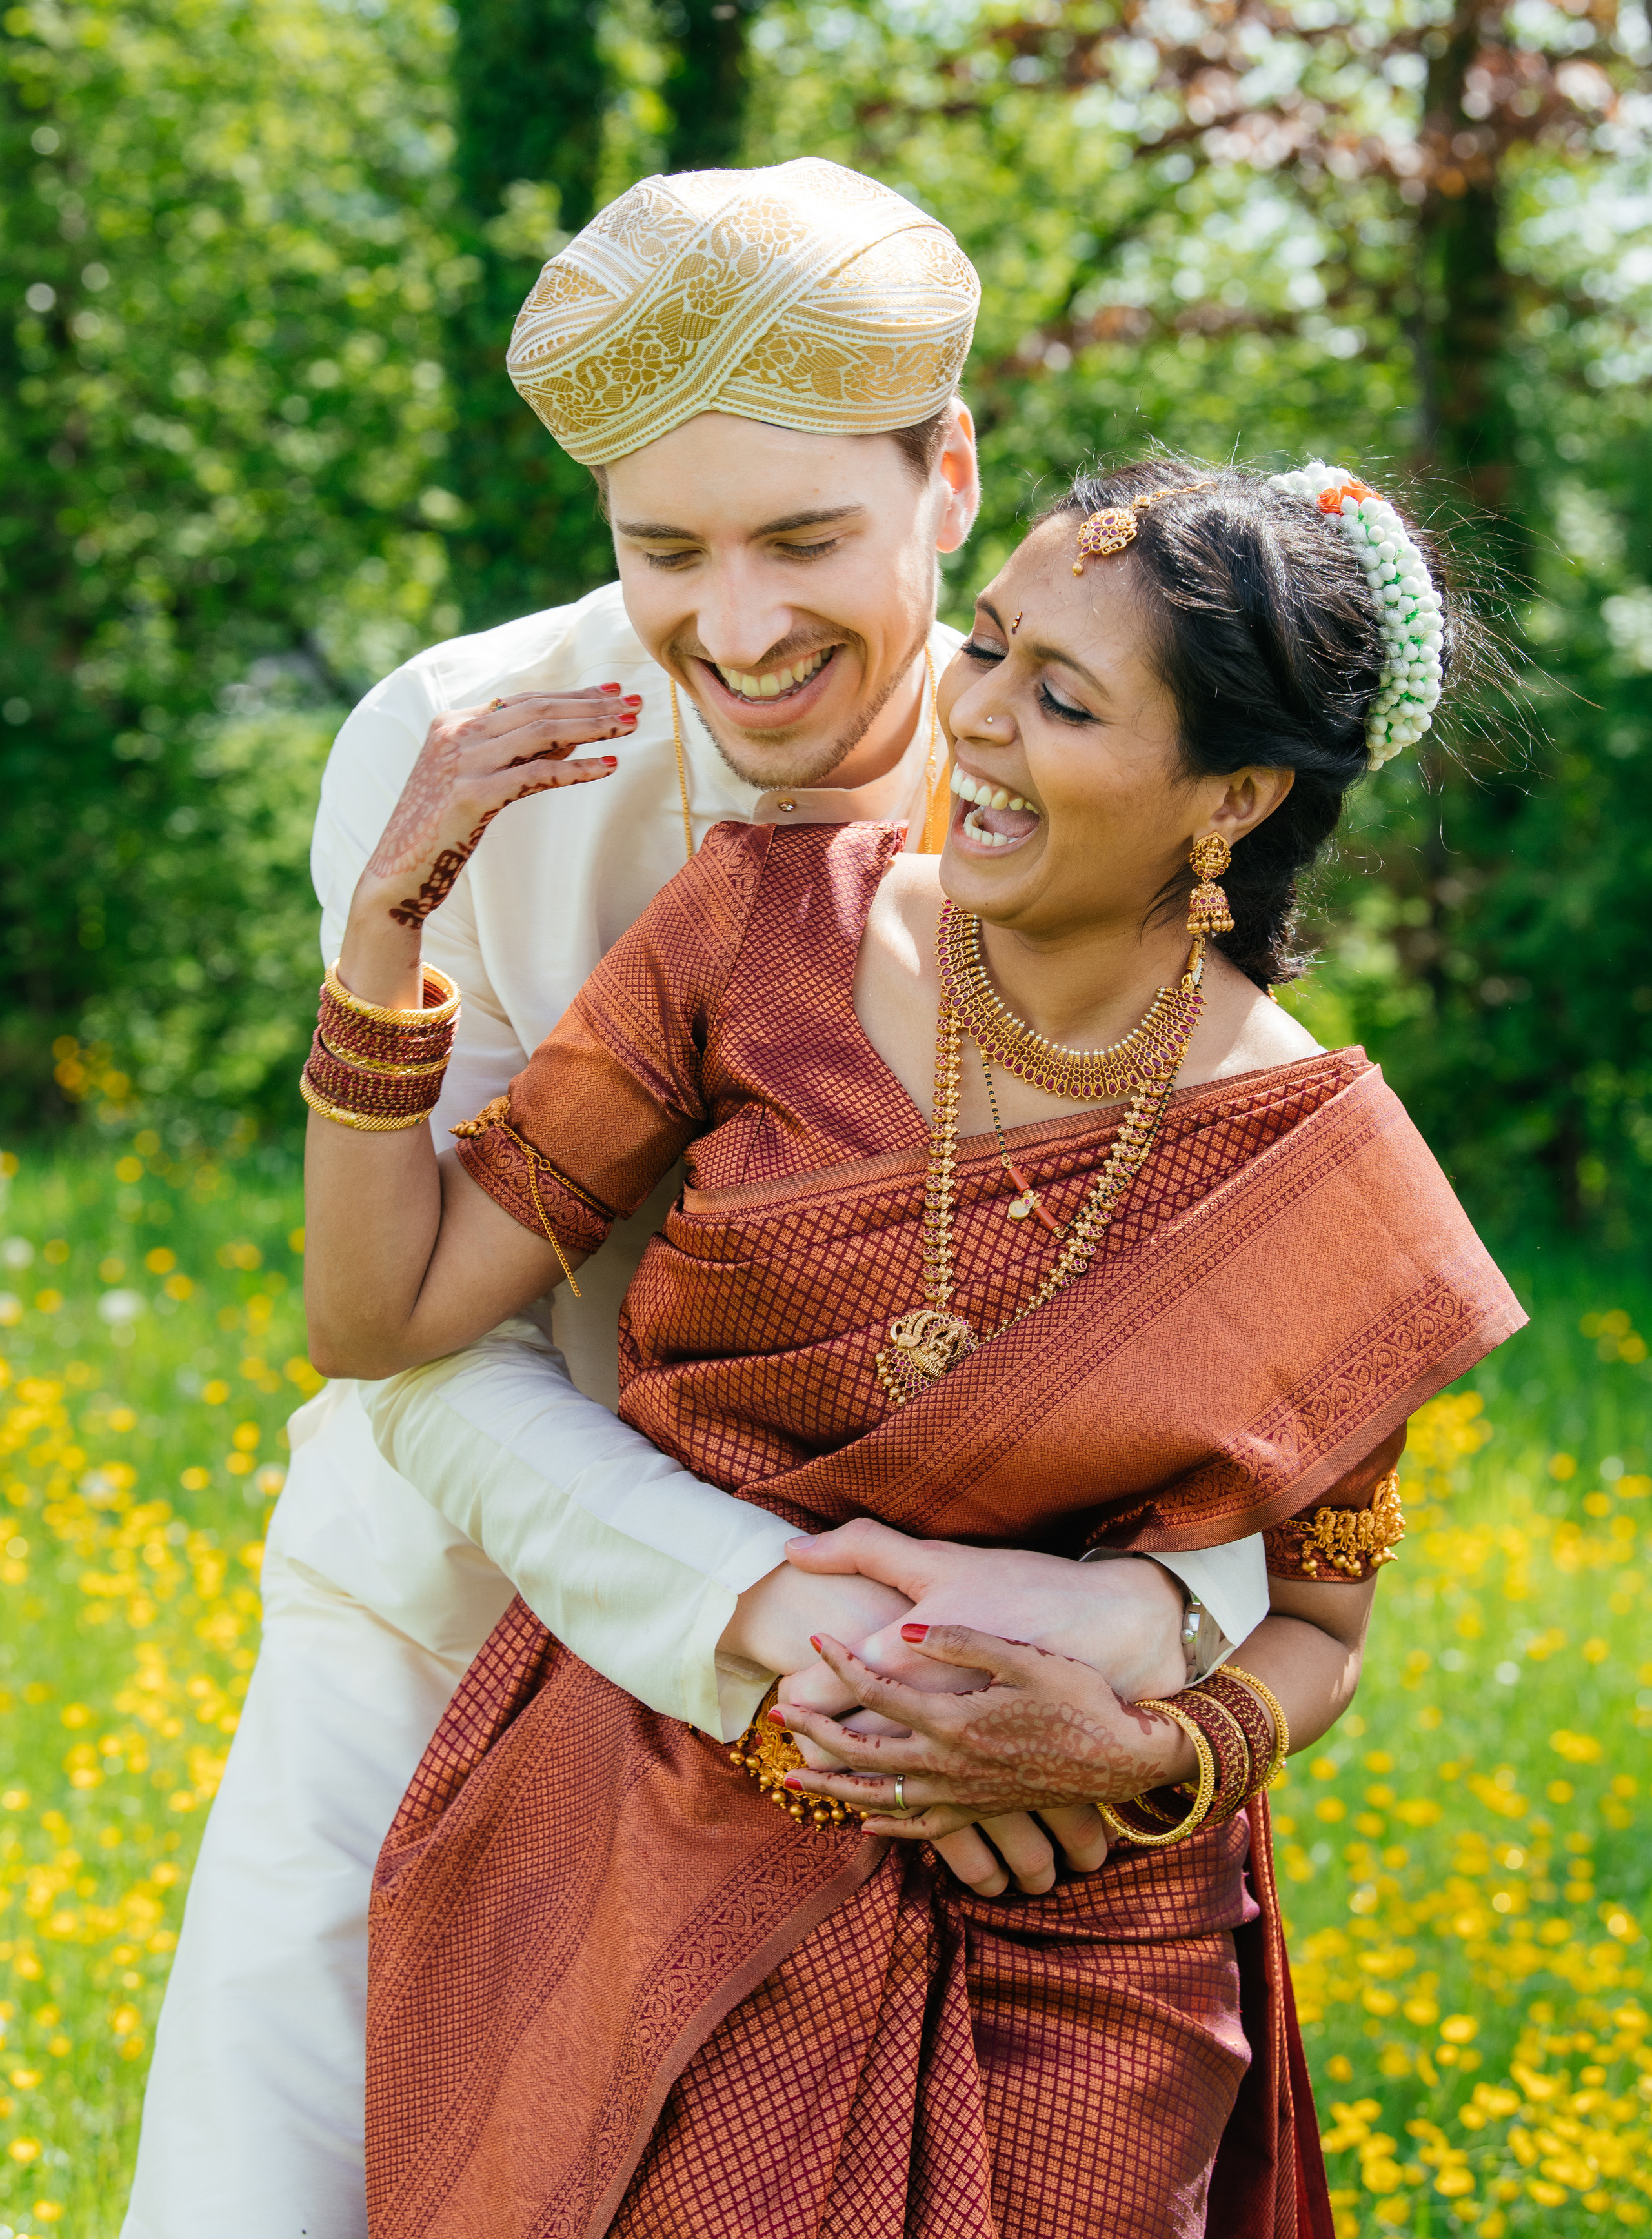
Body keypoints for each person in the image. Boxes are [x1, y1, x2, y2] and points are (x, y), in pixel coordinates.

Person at [122, 161, 1236, 2239]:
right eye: (667, 548)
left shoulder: (1118, 758)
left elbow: (1250, 1304)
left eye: (809, 537)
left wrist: (1139, 1635)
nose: (738, 626)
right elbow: (405, 1348)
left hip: (925, 1720)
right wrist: (742, 1604)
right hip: (447, 1623)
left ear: (952, 476)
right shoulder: (454, 746)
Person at [303, 454, 1524, 2236]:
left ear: (1234, 794)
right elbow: (378, 1316)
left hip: (1073, 1927)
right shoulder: (762, 923)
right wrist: (385, 930)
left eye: (1063, 697)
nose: (983, 720)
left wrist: (1147, 1760)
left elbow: (1324, 1625)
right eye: (997, 651)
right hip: (652, 1826)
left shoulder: (1316, 1169)